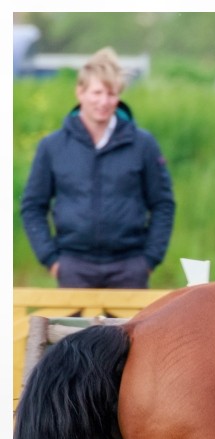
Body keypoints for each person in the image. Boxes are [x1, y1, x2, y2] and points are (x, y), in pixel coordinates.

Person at [21, 47, 175, 289]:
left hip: (130, 268)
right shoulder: (52, 146)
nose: (104, 102)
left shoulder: (143, 144)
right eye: (97, 92)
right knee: (71, 329)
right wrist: (51, 259)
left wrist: (149, 259)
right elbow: (32, 206)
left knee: (129, 329)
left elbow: (162, 204)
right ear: (80, 92)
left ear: (119, 96)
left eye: (111, 94)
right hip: (73, 267)